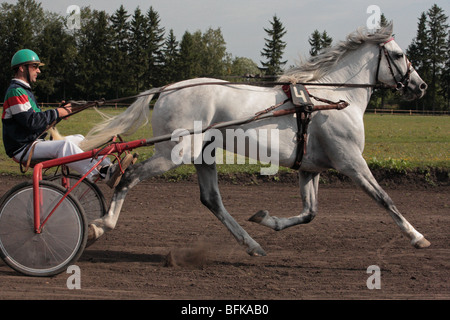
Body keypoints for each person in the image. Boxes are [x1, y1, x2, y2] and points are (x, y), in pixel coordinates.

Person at [2, 49, 135, 188]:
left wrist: (60, 114)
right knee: (64, 146)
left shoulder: (23, 91)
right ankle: (99, 172)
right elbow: (31, 122)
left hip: (31, 143)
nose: (38, 71)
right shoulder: (15, 91)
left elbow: (37, 122)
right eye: (34, 67)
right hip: (22, 148)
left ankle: (110, 168)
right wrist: (58, 112)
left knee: (79, 138)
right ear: (22, 68)